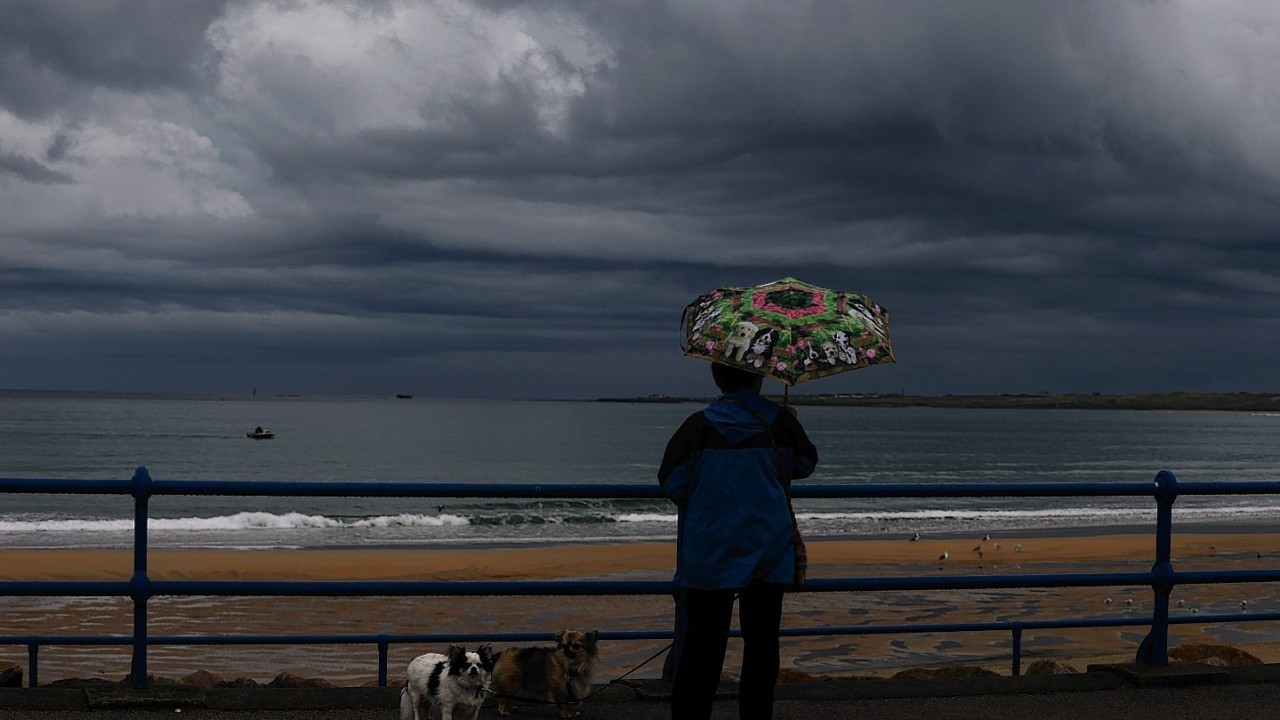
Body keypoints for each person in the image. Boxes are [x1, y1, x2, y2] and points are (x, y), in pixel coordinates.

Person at [657, 361, 818, 720]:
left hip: (710, 555)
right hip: (769, 552)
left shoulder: (697, 427)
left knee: (701, 652)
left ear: (717, 378)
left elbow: (672, 483)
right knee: (762, 648)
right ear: (760, 379)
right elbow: (804, 464)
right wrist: (790, 421)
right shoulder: (780, 423)